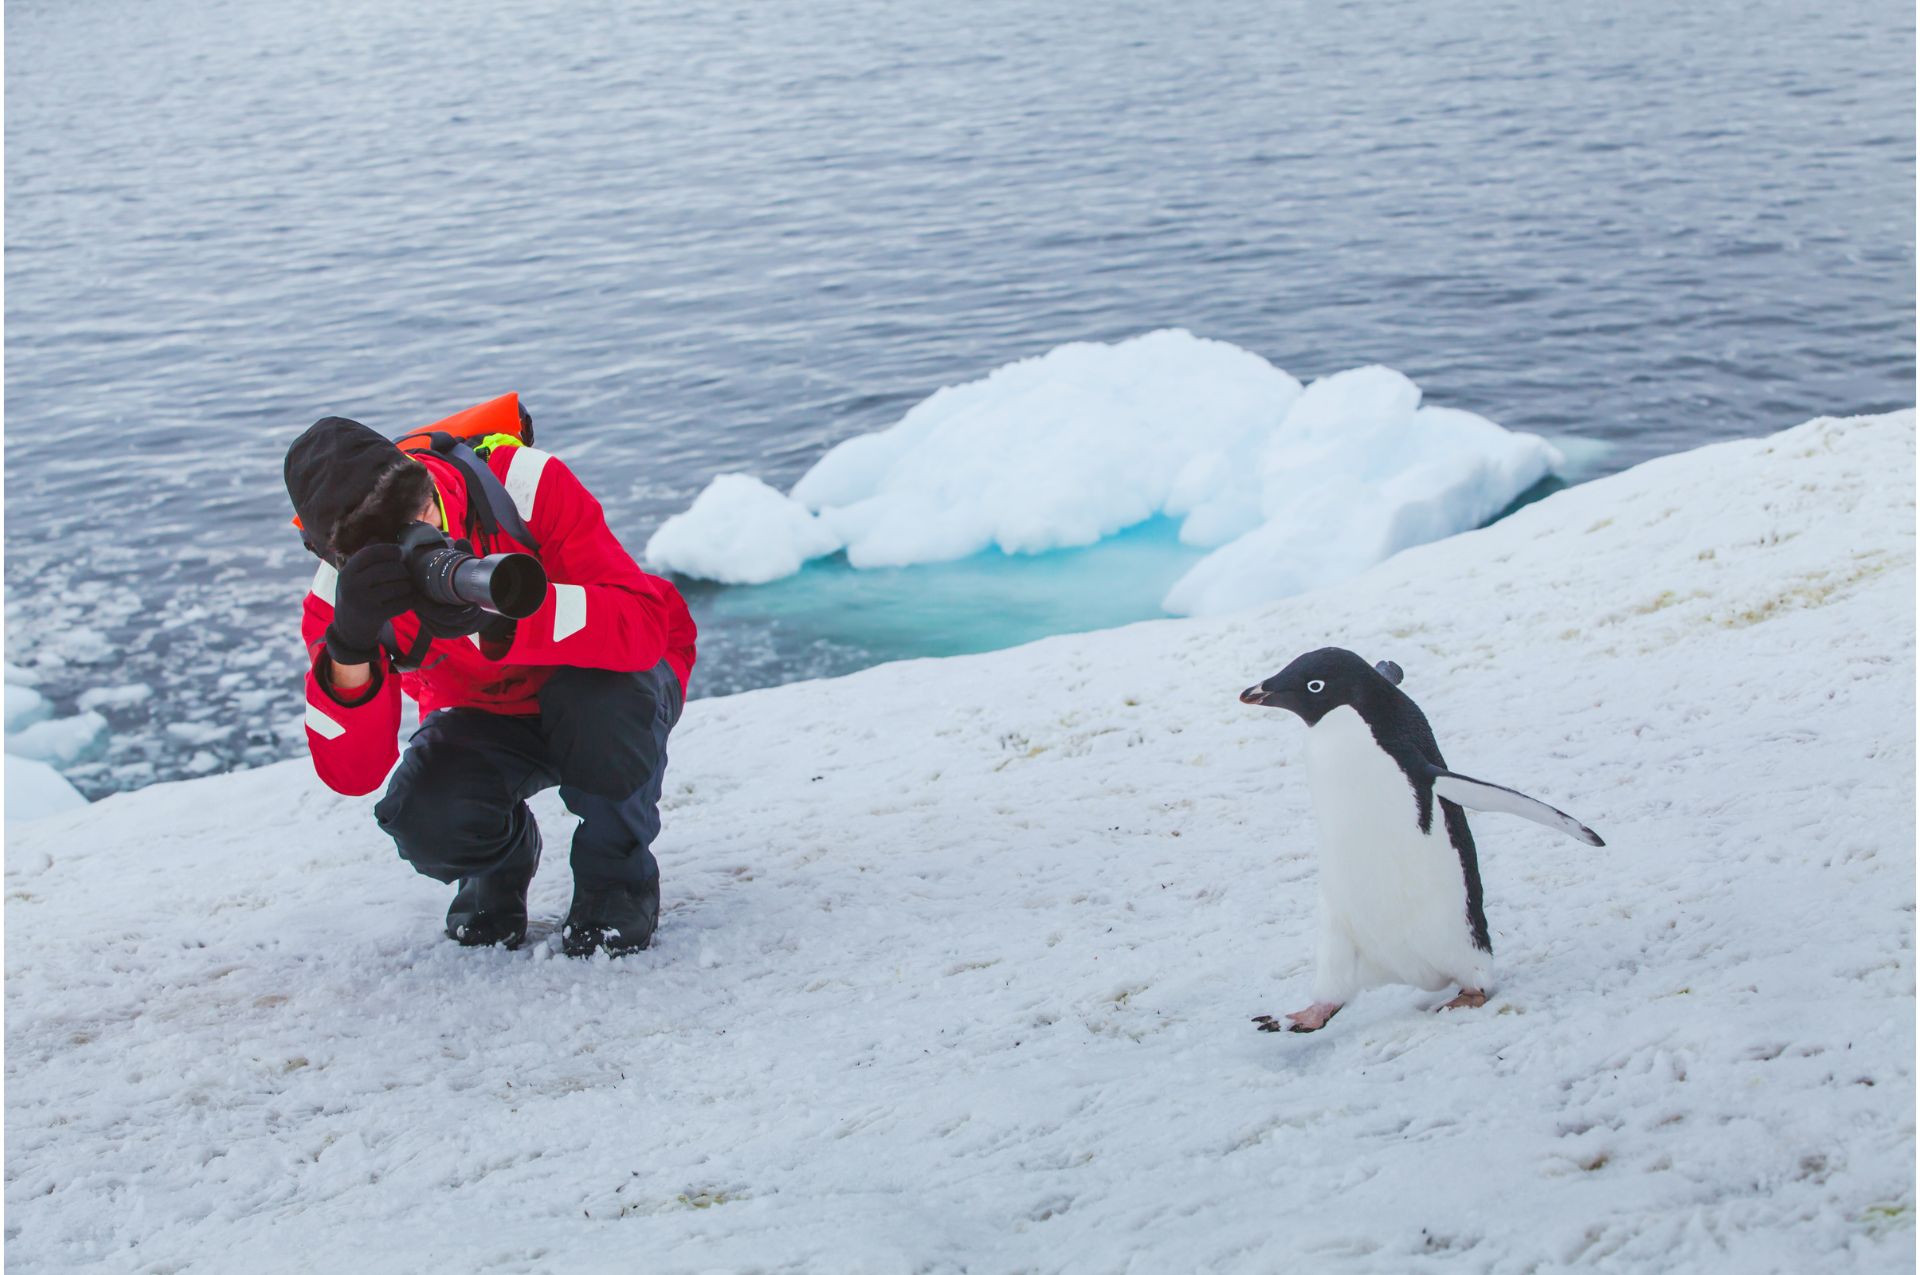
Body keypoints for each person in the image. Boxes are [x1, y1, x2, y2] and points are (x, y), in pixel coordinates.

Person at [283, 402, 697, 958]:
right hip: (487, 712)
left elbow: (643, 626)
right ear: (337, 557)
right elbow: (353, 774)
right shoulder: (340, 599)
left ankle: (617, 879)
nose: (426, 533)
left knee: (604, 709)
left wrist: (505, 619)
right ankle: (500, 864)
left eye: (423, 509)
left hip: (611, 682)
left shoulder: (521, 485)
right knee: (425, 816)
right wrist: (350, 647)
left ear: (425, 478)